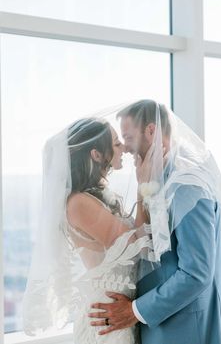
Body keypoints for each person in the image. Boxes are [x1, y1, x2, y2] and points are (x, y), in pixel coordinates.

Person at [89, 100, 221, 344]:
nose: (124, 148)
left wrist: (134, 311)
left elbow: (196, 273)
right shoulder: (157, 178)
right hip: (162, 324)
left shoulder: (186, 184)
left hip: (189, 328)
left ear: (151, 131)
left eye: (128, 137)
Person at [22, 117, 153, 344]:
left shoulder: (96, 196)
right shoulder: (78, 203)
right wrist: (143, 187)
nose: (123, 147)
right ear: (96, 155)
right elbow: (134, 244)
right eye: (115, 143)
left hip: (118, 311)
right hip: (107, 318)